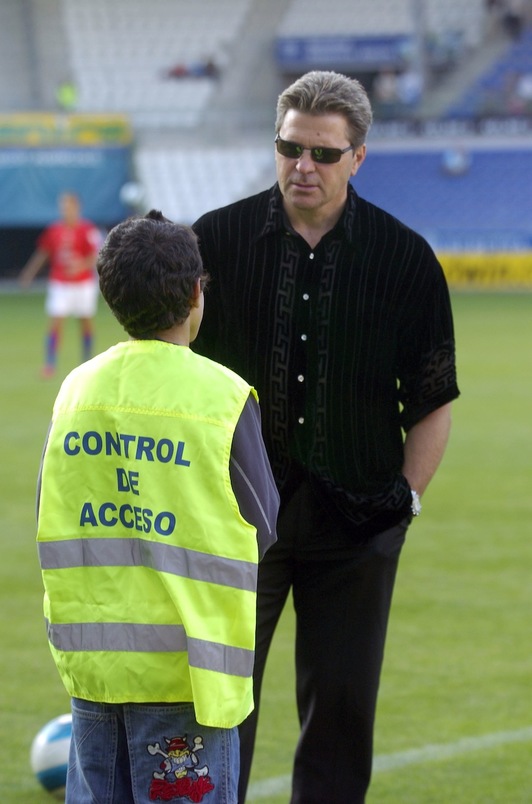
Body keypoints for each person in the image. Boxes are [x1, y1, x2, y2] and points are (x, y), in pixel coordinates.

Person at [192, 70, 460, 803]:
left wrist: (404, 500)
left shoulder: (405, 259)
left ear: (359, 157)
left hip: (359, 525)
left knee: (342, 713)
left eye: (323, 153)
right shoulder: (211, 243)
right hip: (236, 522)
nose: (302, 166)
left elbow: (433, 397)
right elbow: (172, 375)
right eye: (289, 147)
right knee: (215, 705)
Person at [36, 210, 279, 804]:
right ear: (197, 292)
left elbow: (54, 503)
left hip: (94, 671)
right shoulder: (221, 396)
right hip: (187, 673)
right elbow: (265, 523)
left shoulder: (76, 391)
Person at [19, 192, 102, 378]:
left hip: (82, 284)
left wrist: (81, 265)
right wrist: (29, 273)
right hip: (60, 283)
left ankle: (87, 361)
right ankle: (50, 364)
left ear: (77, 207)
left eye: (69, 206)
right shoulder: (54, 230)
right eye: (63, 207)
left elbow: (97, 254)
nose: (66, 210)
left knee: (85, 323)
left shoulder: (87, 229)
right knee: (55, 322)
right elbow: (43, 253)